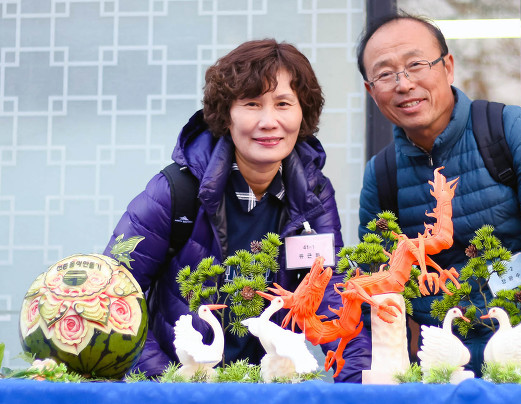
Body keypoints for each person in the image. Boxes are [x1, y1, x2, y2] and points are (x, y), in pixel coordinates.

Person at [104, 39, 371, 382]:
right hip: (180, 390)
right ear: (225, 115)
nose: (269, 121)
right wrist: (168, 383)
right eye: (252, 104)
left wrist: (361, 383)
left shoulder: (313, 194)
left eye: (283, 104)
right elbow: (112, 295)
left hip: (268, 388)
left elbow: (331, 293)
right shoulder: (175, 191)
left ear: (303, 113)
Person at [356, 12, 521, 375]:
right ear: (371, 91)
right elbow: (377, 303)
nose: (403, 84)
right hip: (440, 372)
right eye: (385, 74)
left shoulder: (514, 132)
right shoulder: (382, 175)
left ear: (448, 67)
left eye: (416, 65)